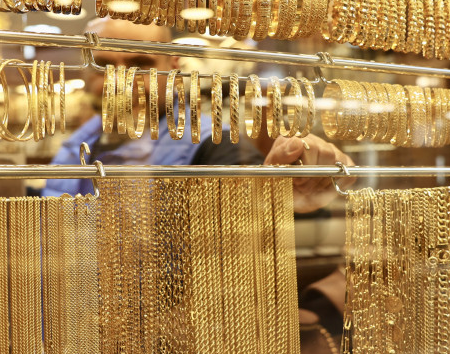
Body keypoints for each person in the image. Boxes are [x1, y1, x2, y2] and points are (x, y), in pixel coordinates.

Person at [43, 18, 353, 213]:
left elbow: (254, 214)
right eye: (103, 66)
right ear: (86, 72)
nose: (119, 81)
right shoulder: (76, 146)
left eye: (140, 64)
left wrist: (286, 195)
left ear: (172, 67)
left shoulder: (215, 144)